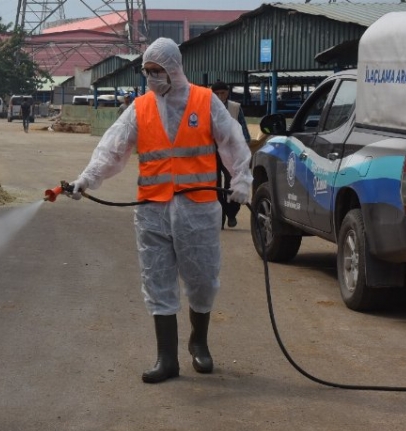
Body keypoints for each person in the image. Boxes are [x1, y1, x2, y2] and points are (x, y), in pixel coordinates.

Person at [67, 38, 252, 384]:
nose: (152, 78)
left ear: (174, 68)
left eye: (158, 71)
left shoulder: (204, 100)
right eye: (147, 72)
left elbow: (232, 140)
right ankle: (166, 358)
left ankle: (199, 342)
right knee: (157, 280)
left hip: (196, 210)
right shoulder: (140, 108)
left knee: (201, 280)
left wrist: (241, 179)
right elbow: (112, 148)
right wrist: (86, 180)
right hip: (152, 209)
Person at [211, 81, 251, 229]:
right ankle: (219, 217)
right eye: (217, 94)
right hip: (212, 151)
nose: (220, 96)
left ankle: (231, 212)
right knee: (214, 185)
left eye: (223, 93)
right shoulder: (207, 107)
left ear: (228, 93)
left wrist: (245, 149)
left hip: (230, 151)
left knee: (232, 183)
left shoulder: (235, 107)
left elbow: (244, 130)